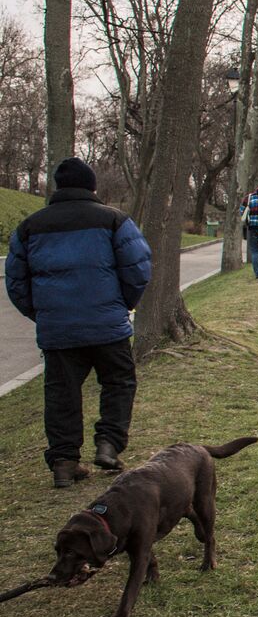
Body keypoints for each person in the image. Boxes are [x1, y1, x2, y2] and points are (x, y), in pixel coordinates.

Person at [6, 158, 152, 487]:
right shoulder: (114, 220)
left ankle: (63, 461)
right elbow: (138, 268)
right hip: (107, 325)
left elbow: (15, 282)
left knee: (62, 394)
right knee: (118, 382)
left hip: (58, 330)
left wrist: (43, 312)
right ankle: (109, 443)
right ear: (92, 186)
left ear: (58, 187)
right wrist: (123, 305)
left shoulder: (30, 227)